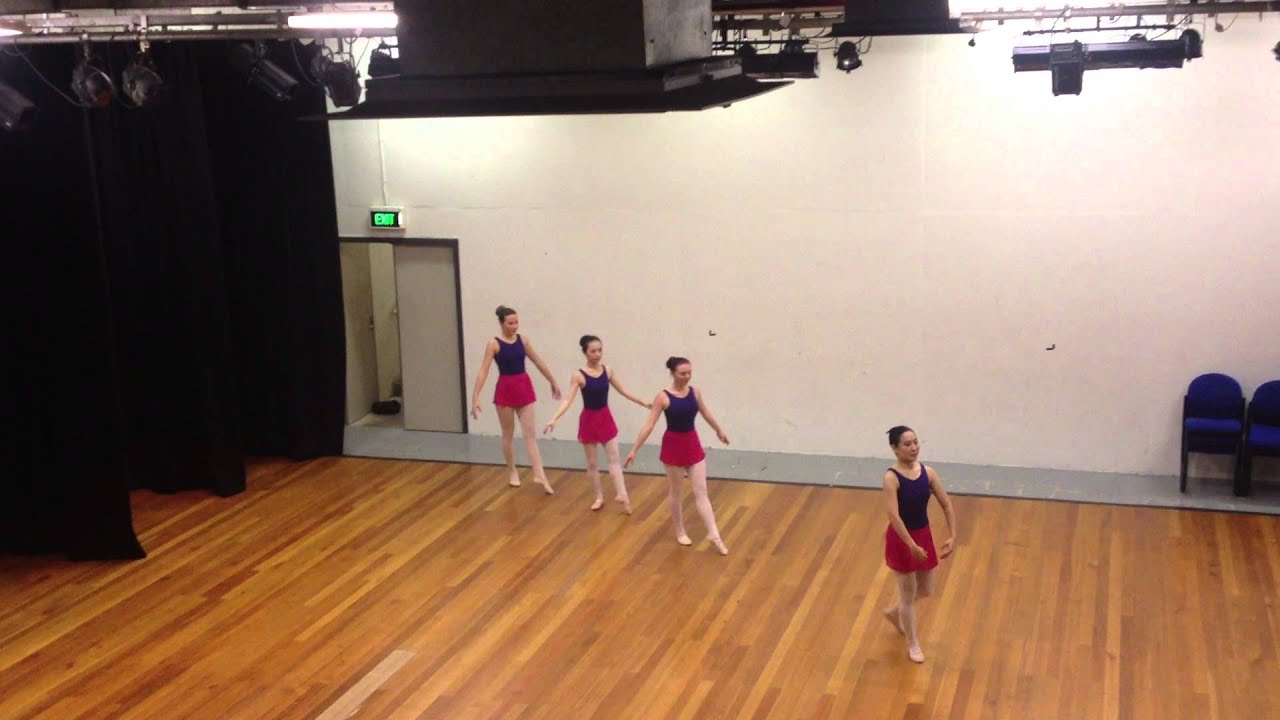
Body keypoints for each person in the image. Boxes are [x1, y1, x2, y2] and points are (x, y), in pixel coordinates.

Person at [624, 356, 730, 555]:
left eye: (689, 372)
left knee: (701, 491)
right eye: (682, 373)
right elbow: (649, 425)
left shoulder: (695, 392)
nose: (687, 376)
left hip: (692, 443)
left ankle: (714, 534)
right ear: (672, 373)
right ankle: (680, 530)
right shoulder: (663, 397)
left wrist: (718, 430)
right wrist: (634, 449)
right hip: (673, 446)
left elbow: (705, 412)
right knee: (676, 492)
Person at [544, 335, 651, 513]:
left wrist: (643, 402)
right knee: (592, 463)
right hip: (589, 420)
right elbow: (568, 400)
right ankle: (599, 496)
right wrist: (554, 418)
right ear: (585, 352)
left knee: (614, 459)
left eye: (600, 350)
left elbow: (623, 390)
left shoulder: (607, 371)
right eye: (593, 351)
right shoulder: (579, 375)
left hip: (605, 418)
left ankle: (622, 494)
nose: (597, 354)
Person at [881, 425, 957, 663]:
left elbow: (946, 504)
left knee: (926, 589)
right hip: (902, 539)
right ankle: (913, 643)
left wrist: (953, 535)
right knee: (908, 594)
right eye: (907, 444)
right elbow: (894, 515)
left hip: (923, 535)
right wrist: (911, 545)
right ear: (895, 448)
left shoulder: (928, 473)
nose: (914, 447)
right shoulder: (891, 478)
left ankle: (895, 613)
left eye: (915, 442)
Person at [470, 305, 561, 493]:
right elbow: (484, 370)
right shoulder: (494, 344)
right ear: (502, 324)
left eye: (516, 322)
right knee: (508, 434)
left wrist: (552, 380)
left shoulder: (523, 340)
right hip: (505, 389)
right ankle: (512, 470)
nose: (514, 326)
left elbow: (538, 361)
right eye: (510, 323)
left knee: (530, 435)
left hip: (523, 388)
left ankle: (540, 474)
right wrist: (475, 397)